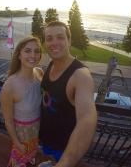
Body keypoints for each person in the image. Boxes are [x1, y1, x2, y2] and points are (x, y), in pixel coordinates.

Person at [38, 21, 97, 167]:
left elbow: (87, 120)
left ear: (69, 41)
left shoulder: (80, 75)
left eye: (60, 37)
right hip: (47, 141)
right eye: (49, 38)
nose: (54, 42)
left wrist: (65, 163)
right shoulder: (52, 64)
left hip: (64, 150)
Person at [0, 36, 44, 167]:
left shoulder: (39, 73)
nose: (33, 55)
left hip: (36, 131)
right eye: (28, 51)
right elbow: (8, 120)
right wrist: (17, 144)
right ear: (19, 55)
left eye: (37, 51)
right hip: (22, 136)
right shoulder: (9, 86)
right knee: (19, 161)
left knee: (32, 154)